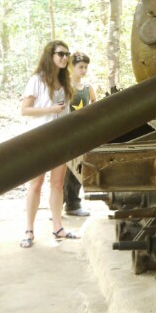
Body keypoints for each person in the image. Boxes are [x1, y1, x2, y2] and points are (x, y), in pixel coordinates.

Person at [20, 40, 79, 247]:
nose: (64, 58)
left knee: (57, 184)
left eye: (67, 54)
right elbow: (25, 110)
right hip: (40, 139)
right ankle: (29, 230)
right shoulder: (37, 80)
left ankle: (58, 228)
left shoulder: (65, 81)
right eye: (60, 54)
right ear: (50, 55)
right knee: (36, 184)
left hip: (61, 139)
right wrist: (51, 109)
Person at [63, 51, 96, 216]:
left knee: (77, 169)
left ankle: (73, 204)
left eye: (85, 67)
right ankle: (58, 205)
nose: (83, 70)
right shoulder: (65, 87)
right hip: (67, 133)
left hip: (83, 133)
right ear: (72, 67)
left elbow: (95, 104)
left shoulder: (88, 87)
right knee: (62, 171)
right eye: (80, 67)